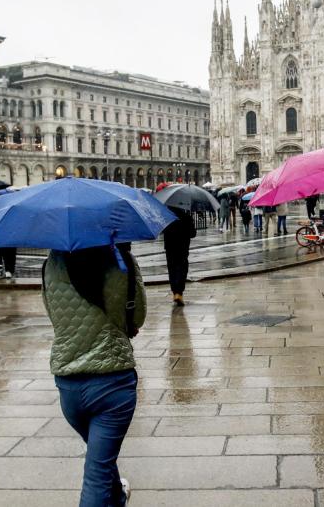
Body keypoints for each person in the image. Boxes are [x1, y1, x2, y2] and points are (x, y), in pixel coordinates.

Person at [43, 243, 146, 506]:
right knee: (97, 474)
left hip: (69, 386)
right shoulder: (123, 260)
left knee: (100, 458)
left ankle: (118, 497)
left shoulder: (52, 263)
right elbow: (137, 318)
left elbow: (54, 317)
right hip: (113, 382)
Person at [162, 207, 196, 306]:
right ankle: (179, 292)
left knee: (172, 269)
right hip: (183, 248)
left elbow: (162, 231)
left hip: (170, 248)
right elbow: (193, 234)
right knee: (182, 269)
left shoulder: (167, 217)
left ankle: (175, 292)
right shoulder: (186, 217)